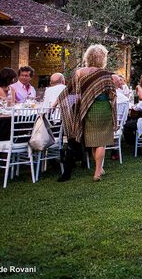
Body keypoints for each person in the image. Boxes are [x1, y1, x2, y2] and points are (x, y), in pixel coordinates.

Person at [58, 44, 117, 182]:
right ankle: (97, 171)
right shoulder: (105, 74)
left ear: (88, 57)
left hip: (86, 109)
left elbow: (69, 89)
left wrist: (56, 102)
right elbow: (111, 93)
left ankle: (99, 168)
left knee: (92, 140)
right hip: (103, 108)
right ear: (102, 58)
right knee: (101, 141)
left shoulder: (80, 72)